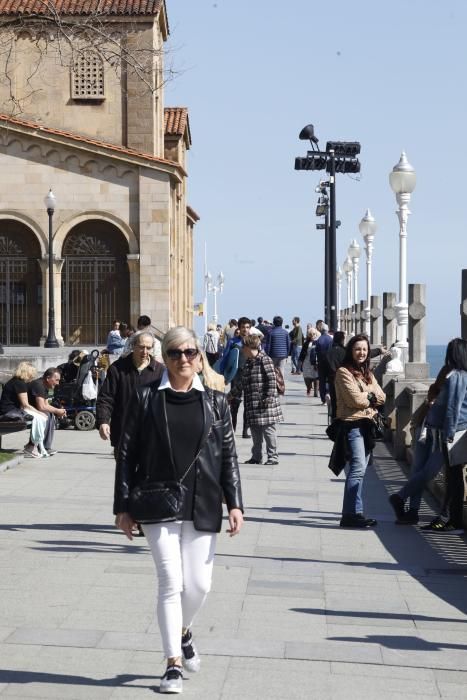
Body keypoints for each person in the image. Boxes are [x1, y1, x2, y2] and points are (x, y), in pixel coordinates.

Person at [114, 326, 243, 694]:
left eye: (189, 353)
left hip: (202, 502)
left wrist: (235, 503)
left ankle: (184, 631)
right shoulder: (145, 398)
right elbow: (126, 455)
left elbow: (229, 457)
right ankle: (172, 664)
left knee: (200, 585)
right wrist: (122, 506)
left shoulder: (217, 402)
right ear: (164, 358)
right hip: (157, 500)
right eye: (174, 354)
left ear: (200, 357)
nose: (183, 359)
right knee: (171, 582)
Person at [389, 338, 467, 533]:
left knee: (431, 472)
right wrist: (449, 434)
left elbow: (437, 398)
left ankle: (415, 509)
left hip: (433, 426)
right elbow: (453, 408)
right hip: (449, 432)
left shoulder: (447, 373)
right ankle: (404, 499)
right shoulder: (458, 376)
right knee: (438, 473)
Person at [334, 334, 386, 528]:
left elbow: (383, 395)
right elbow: (354, 401)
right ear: (351, 351)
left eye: (364, 349)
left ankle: (356, 512)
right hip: (352, 425)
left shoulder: (367, 373)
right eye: (357, 349)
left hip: (367, 425)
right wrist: (370, 396)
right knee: (357, 468)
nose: (361, 352)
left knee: (361, 470)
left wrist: (369, 396)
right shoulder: (343, 372)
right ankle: (349, 515)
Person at [97, 332, 165, 454]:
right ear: (133, 346)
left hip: (151, 437)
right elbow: (106, 397)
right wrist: (103, 421)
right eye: (141, 347)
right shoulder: (117, 369)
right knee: (124, 473)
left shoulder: (160, 371)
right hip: (123, 434)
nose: (145, 351)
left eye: (148, 348)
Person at [241, 334, 283, 465]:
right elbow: (243, 382)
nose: (242, 349)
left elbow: (271, 380)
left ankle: (273, 457)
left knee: (269, 432)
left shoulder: (265, 359)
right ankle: (256, 457)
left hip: (265, 404)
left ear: (249, 347)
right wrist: (230, 395)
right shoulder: (249, 361)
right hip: (252, 404)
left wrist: (268, 399)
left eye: (244, 347)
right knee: (255, 432)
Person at [25, 368, 67, 457]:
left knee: (50, 414)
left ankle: (45, 446)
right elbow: (42, 406)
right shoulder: (39, 385)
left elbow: (46, 404)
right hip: (22, 410)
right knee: (46, 415)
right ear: (48, 378)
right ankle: (34, 446)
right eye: (56, 380)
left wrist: (59, 411)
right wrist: (57, 411)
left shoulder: (45, 386)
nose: (58, 383)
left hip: (32, 409)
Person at [323, 331, 346, 419]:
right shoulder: (345, 351)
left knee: (334, 401)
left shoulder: (328, 352)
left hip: (332, 379)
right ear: (342, 340)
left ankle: (334, 419)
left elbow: (324, 370)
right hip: (344, 380)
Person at [298, 326, 320, 397]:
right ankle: (309, 387)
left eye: (314, 334)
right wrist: (300, 363)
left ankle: (316, 392)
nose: (312, 336)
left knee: (316, 377)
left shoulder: (318, 342)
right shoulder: (306, 343)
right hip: (307, 362)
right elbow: (302, 353)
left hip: (315, 363)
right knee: (307, 377)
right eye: (311, 334)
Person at [315, 322, 333, 404]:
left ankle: (323, 399)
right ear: (327, 330)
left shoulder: (319, 340)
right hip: (330, 363)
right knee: (330, 380)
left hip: (321, 363)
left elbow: (316, 352)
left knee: (322, 381)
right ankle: (329, 393)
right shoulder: (331, 339)